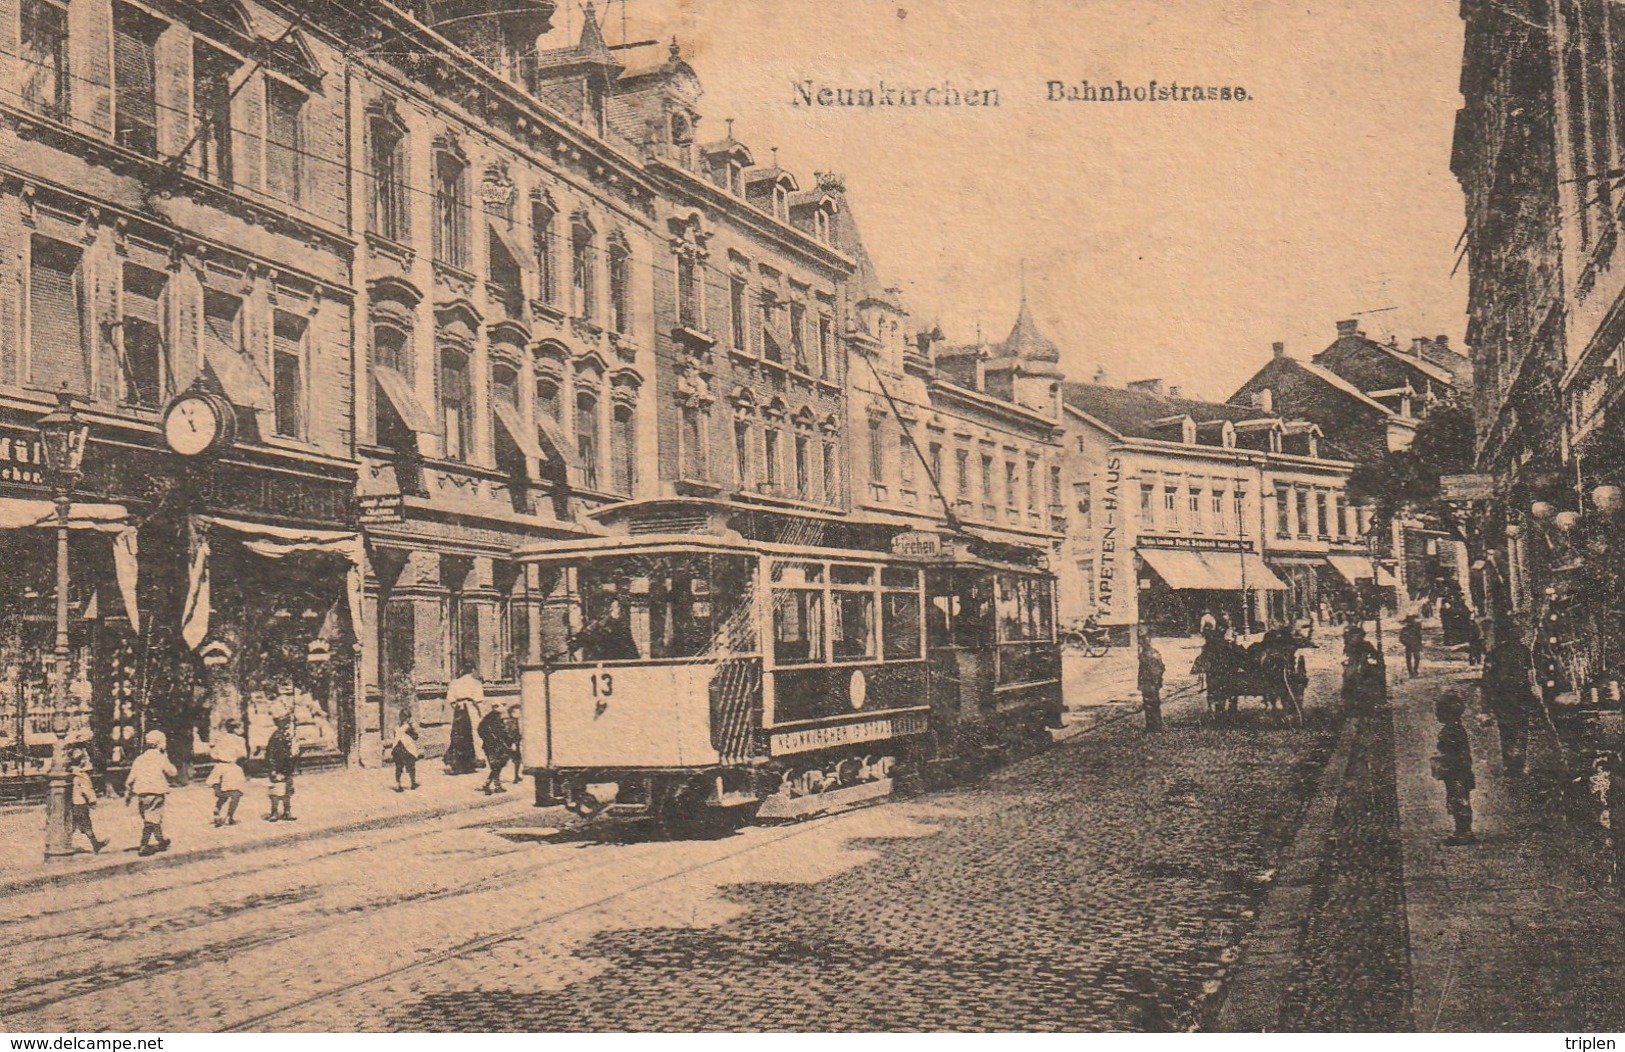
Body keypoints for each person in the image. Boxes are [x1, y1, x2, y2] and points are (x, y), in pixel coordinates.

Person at [1482, 634, 1537, 775]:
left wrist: (1488, 700)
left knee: (1505, 730)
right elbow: (1531, 675)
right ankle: (1519, 763)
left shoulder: (1495, 652)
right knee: (1521, 728)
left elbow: (1488, 678)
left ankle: (1508, 764)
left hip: (1502, 696)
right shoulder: (1524, 650)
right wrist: (1534, 692)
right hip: (1521, 695)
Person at [1431, 692, 1477, 845]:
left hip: (1457, 773)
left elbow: (1453, 754)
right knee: (1457, 800)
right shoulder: (1454, 729)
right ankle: (1461, 830)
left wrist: (1443, 765)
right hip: (1457, 772)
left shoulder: (1451, 731)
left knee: (1459, 801)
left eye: (1439, 710)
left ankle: (1464, 832)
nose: (1436, 714)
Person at [125, 730, 176, 856]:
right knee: (152, 819)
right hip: (156, 792)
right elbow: (172, 772)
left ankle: (161, 841)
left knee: (151, 818)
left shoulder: (139, 759)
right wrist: (167, 758)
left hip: (142, 794)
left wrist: (129, 793)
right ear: (160, 744)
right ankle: (144, 845)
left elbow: (130, 779)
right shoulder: (160, 758)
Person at [569, 592, 641, 662]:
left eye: (617, 608)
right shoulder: (595, 626)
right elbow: (582, 640)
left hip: (616, 664)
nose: (618, 612)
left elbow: (630, 650)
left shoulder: (620, 626)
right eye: (615, 608)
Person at [206, 718, 247, 826]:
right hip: (232, 768)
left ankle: (217, 809)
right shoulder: (239, 740)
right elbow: (242, 755)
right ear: (236, 728)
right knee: (236, 794)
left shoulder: (220, 739)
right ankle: (230, 816)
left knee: (223, 794)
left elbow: (213, 754)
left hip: (219, 767)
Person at [67, 746, 107, 854]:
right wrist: (92, 801)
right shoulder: (82, 776)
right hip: (81, 804)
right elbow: (87, 790)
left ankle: (94, 843)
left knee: (74, 825)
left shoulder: (72, 774)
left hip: (73, 804)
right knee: (86, 824)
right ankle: (95, 844)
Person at [444, 663, 481, 776]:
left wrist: (457, 707)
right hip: (471, 708)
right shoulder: (475, 683)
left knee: (458, 735)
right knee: (473, 735)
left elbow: (451, 700)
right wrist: (480, 712)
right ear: (472, 670)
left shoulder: (455, 683)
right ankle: (471, 762)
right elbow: (478, 700)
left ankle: (457, 763)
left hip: (459, 711)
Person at [264, 712, 298, 822]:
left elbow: (292, 753)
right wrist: (273, 769)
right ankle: (274, 812)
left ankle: (287, 811)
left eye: (288, 722)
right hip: (277, 767)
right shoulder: (275, 737)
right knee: (276, 791)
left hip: (287, 768)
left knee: (288, 790)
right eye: (285, 723)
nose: (287, 725)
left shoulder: (289, 736)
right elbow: (270, 755)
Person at [478, 704, 513, 794]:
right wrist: (491, 740)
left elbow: (502, 732)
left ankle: (493, 785)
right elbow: (481, 730)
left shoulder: (499, 717)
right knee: (495, 766)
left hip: (500, 745)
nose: (503, 707)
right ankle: (489, 785)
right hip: (491, 746)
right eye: (501, 705)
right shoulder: (488, 718)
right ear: (494, 707)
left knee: (499, 765)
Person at [1137, 635, 1165, 733]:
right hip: (1150, 682)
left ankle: (1155, 726)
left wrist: (1154, 681)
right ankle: (1153, 725)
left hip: (1150, 682)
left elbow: (1157, 669)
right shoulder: (1153, 653)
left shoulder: (1147, 654)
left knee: (1151, 704)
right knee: (1151, 704)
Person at [391, 709, 421, 791]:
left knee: (398, 767)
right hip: (407, 749)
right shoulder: (408, 727)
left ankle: (398, 783)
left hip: (397, 748)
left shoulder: (396, 727)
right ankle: (413, 782)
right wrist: (413, 728)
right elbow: (415, 737)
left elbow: (395, 736)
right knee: (411, 766)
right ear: (407, 718)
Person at [505, 704, 524, 784]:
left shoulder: (516, 721)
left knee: (517, 760)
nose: (519, 713)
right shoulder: (511, 722)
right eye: (516, 712)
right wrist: (512, 744)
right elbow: (510, 734)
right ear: (512, 713)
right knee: (504, 761)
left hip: (516, 743)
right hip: (511, 744)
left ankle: (516, 776)